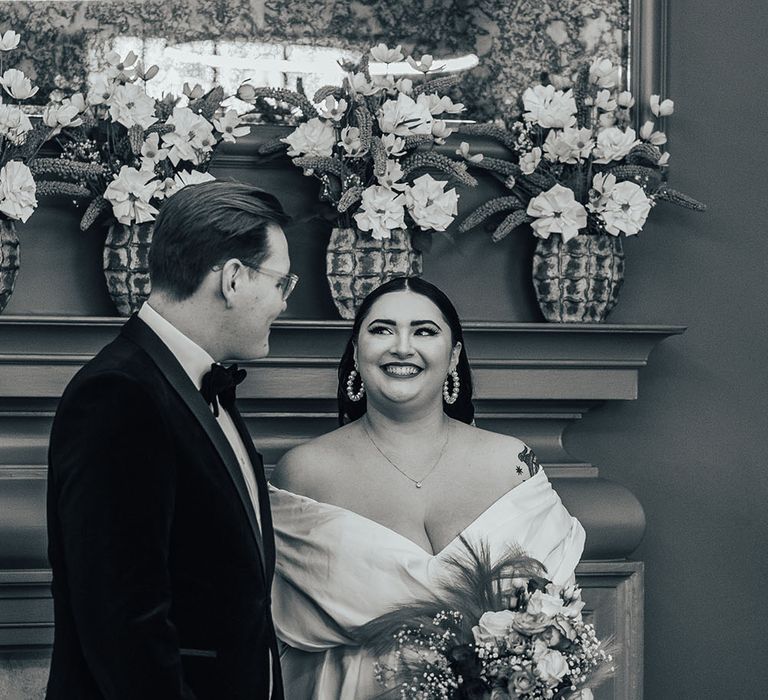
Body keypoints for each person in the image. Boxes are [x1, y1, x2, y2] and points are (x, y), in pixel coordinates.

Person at [269, 276, 586, 699]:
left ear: (453, 355)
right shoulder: (304, 472)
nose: (402, 346)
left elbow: (557, 617)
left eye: (424, 331)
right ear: (357, 351)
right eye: (382, 329)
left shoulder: (512, 464)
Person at [46, 181, 296, 700]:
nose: (283, 303)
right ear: (232, 278)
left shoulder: (195, 383)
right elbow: (124, 622)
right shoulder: (119, 394)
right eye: (280, 283)